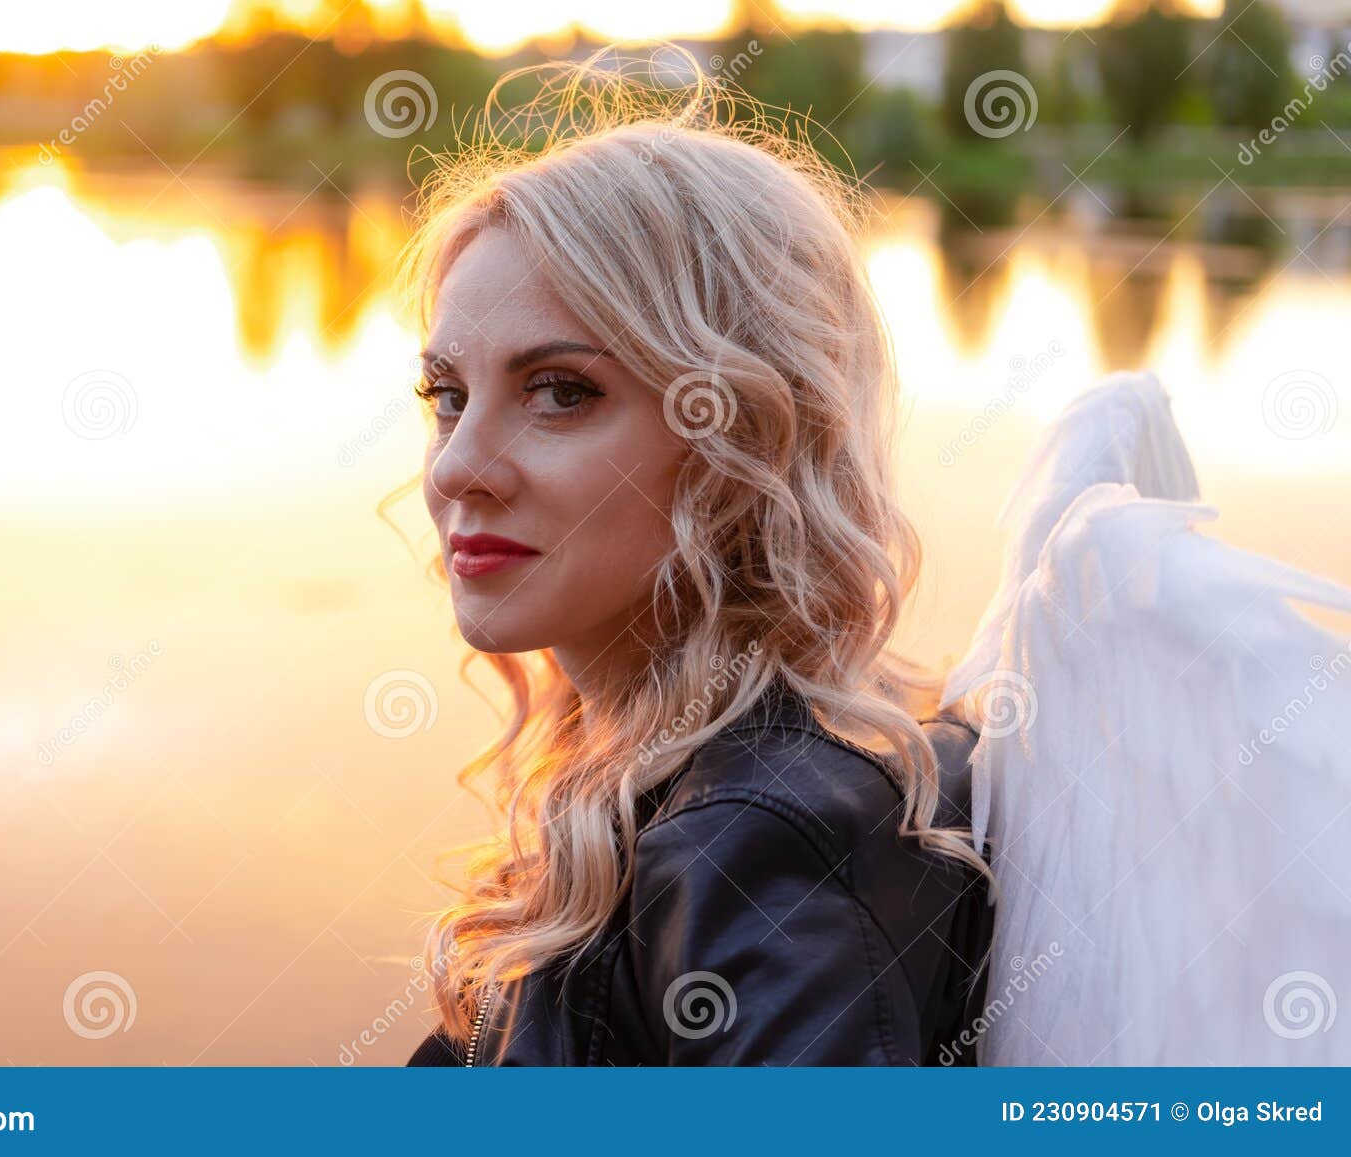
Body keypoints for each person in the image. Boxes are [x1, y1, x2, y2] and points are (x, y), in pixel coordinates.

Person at [396, 47, 996, 1066]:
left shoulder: (761, 839)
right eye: (448, 394)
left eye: (560, 392)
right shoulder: (676, 772)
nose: (459, 466)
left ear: (744, 433)